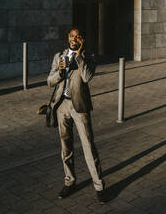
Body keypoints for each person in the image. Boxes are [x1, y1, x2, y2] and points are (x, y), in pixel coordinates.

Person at [47, 28, 105, 203]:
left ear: (82, 39)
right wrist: (60, 73)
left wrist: (79, 56)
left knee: (88, 146)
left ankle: (99, 186)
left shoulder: (89, 57)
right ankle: (69, 181)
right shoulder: (59, 56)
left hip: (79, 107)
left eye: (77, 36)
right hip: (61, 106)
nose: (74, 38)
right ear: (68, 38)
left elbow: (87, 77)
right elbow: (49, 81)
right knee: (66, 147)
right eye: (71, 36)